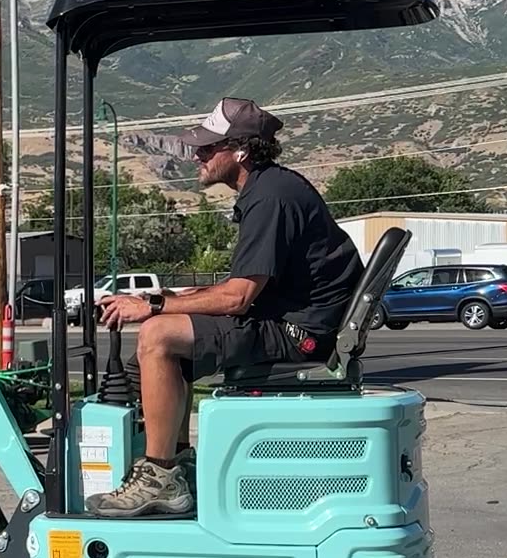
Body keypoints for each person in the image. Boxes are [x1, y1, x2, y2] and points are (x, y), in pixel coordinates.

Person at [84, 97, 364, 518]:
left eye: (209, 147)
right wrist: (167, 301)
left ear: (242, 151)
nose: (198, 154)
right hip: (289, 318)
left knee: (157, 335)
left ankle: (159, 475)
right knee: (170, 331)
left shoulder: (270, 198)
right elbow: (243, 287)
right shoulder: (270, 188)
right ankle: (179, 465)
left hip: (298, 333)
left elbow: (238, 297)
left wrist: (153, 306)